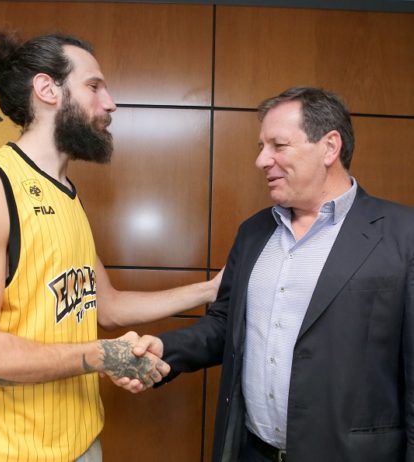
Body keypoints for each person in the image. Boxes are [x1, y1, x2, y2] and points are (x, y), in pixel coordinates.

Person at [0, 31, 222, 462]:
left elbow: (106, 306)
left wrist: (210, 289)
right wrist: (103, 355)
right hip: (4, 453)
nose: (109, 103)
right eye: (94, 86)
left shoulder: (68, 193)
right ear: (47, 89)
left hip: (81, 445)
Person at [136, 87, 414, 461]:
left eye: (278, 146)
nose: (261, 160)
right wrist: (165, 349)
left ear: (330, 147)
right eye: (261, 147)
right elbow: (225, 325)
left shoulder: (403, 235)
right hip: (253, 452)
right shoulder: (253, 233)